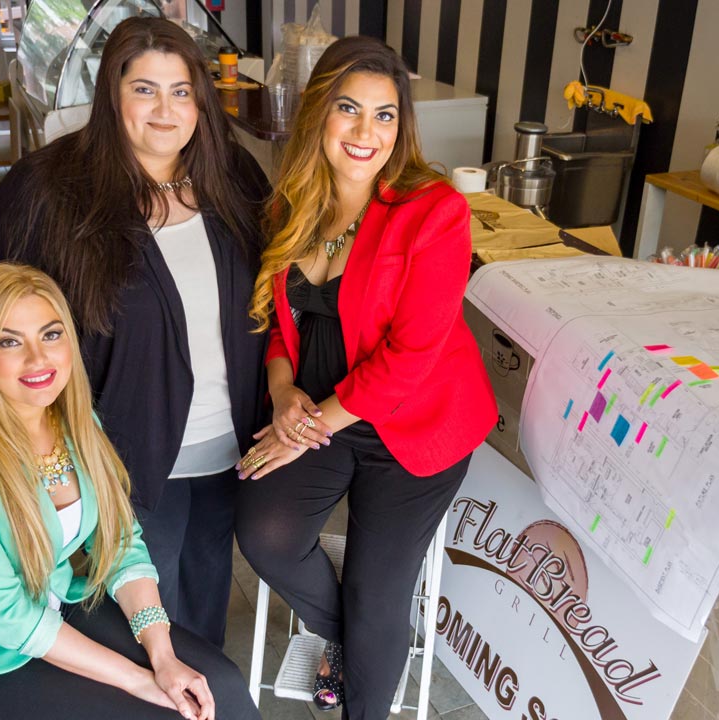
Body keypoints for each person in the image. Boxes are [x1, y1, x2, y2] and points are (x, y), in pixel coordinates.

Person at [0, 17, 269, 647]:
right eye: (144, 90)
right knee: (144, 621)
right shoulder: (49, 191)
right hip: (123, 459)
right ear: (110, 95)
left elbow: (272, 298)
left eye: (182, 91)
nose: (165, 110)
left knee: (206, 596)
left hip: (229, 446)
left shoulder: (232, 176)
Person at [234, 36, 497, 718]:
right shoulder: (292, 202)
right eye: (349, 109)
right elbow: (276, 318)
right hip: (322, 409)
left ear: (401, 126)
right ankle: (349, 638)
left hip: (415, 426)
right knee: (266, 535)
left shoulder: (433, 212)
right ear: (319, 110)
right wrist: (286, 391)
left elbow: (411, 357)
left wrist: (308, 425)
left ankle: (364, 669)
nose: (365, 132)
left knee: (380, 594)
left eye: (385, 115)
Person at [0, 263, 260, 720]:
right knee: (163, 712)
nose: (37, 359)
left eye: (50, 335)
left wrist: (162, 657)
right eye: (10, 342)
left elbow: (121, 543)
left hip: (55, 609)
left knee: (218, 685)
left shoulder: (76, 424)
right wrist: (139, 680)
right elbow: (10, 617)